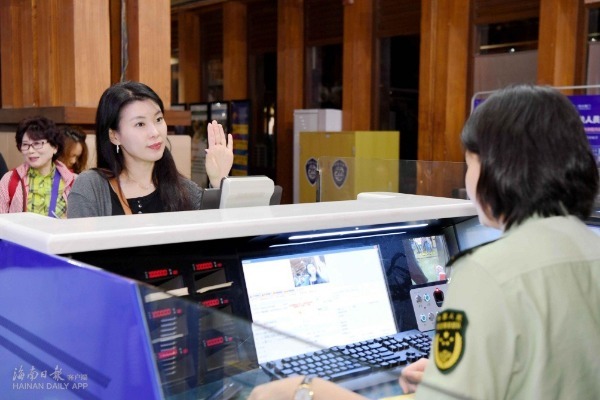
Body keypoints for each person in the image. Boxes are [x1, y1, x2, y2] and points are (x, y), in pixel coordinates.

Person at [249, 85, 600, 400]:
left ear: (498, 171)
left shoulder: (485, 274)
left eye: (470, 164)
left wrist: (306, 390)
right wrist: (454, 375)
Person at [67, 81, 233, 217]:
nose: (155, 132)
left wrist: (218, 181)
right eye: (140, 124)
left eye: (158, 119)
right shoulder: (91, 187)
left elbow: (217, 238)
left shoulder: (183, 189)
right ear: (114, 136)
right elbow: (80, 246)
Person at [0, 116, 76, 217]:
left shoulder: (73, 181)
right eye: (25, 145)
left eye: (37, 143)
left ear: (55, 147)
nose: (30, 150)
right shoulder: (9, 180)